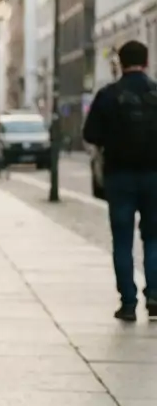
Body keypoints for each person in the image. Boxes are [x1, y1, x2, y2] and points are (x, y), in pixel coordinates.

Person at [83, 40, 157, 322]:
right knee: (154, 237)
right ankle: (155, 296)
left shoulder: (108, 95)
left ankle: (128, 302)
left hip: (119, 176)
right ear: (147, 62)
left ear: (120, 63)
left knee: (122, 240)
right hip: (154, 175)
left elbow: (90, 134)